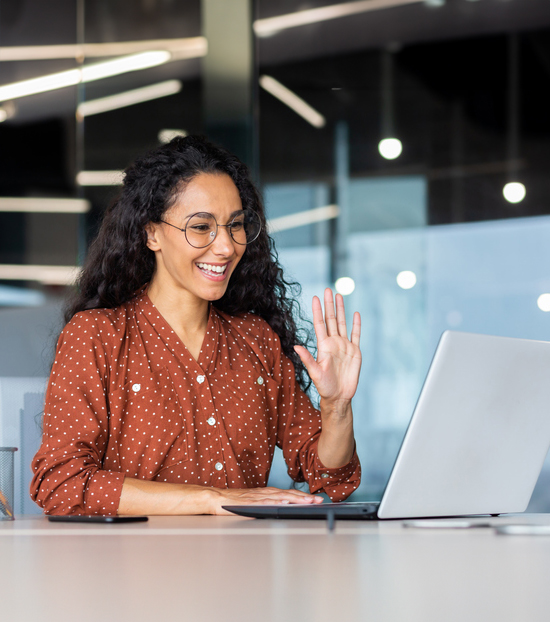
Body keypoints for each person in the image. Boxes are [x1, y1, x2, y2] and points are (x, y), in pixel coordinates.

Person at [30, 135, 362, 516]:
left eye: (235, 225)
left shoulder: (257, 340)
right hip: (131, 572)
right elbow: (61, 483)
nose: (225, 246)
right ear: (151, 233)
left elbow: (330, 479)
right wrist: (208, 498)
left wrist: (336, 406)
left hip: (245, 572)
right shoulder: (97, 335)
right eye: (201, 227)